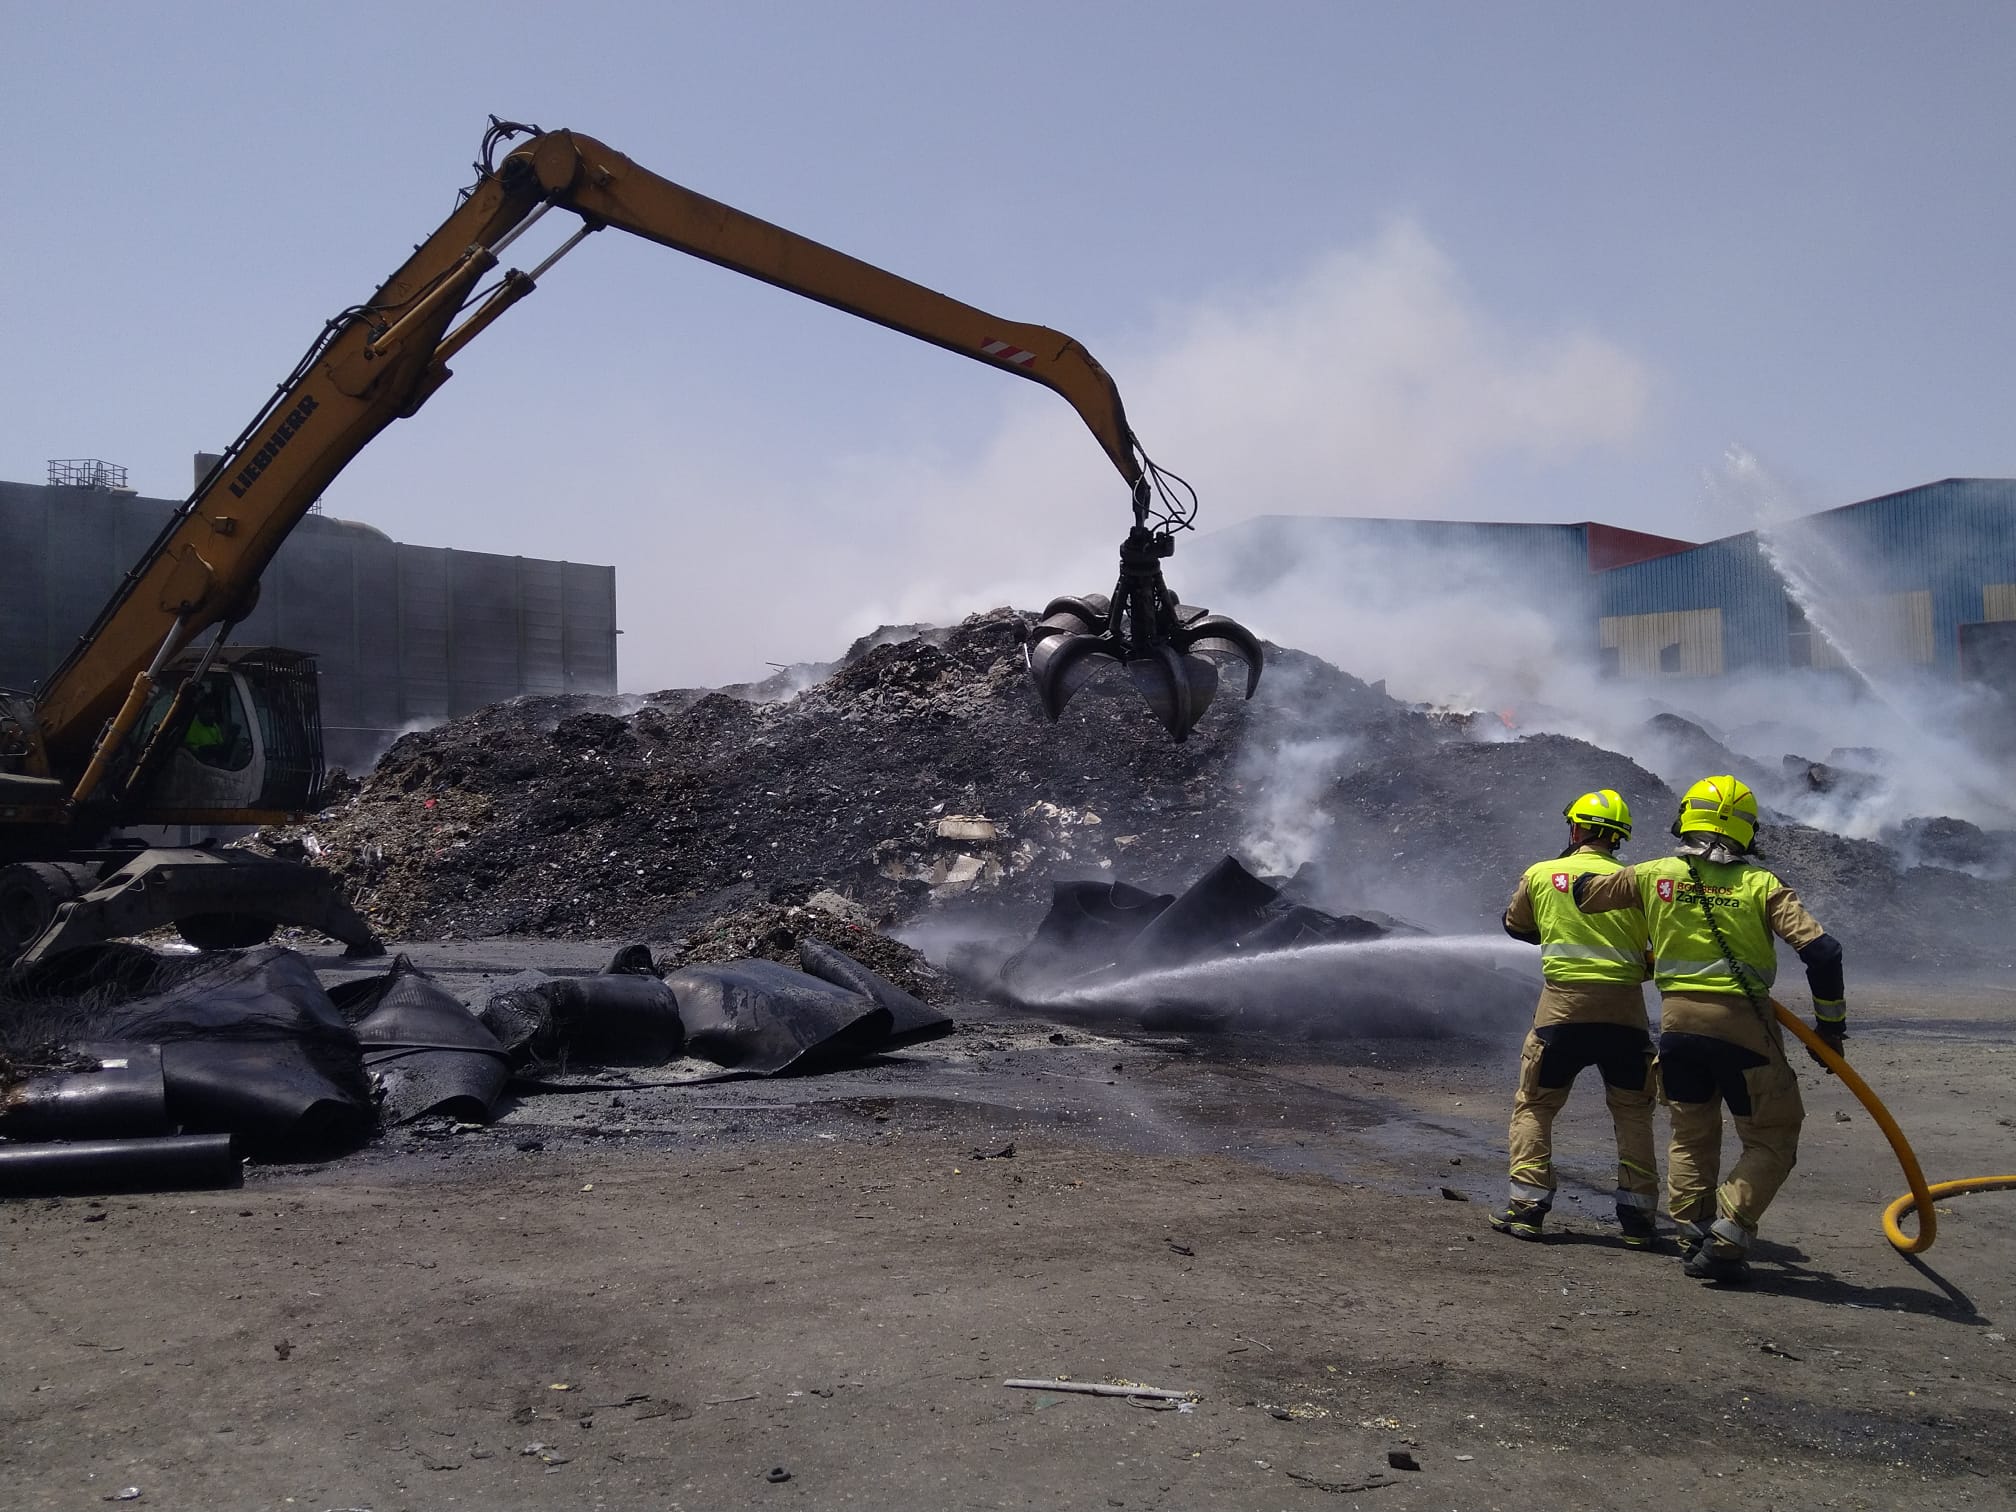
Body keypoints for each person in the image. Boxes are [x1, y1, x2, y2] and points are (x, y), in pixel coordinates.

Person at [1575, 775, 1846, 1284]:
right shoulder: (1761, 884)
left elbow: (1587, 894)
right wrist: (1830, 1029)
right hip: (1745, 1027)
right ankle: (1729, 1231)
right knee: (1773, 1136)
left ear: (1685, 820)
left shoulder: (1654, 873)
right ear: (1747, 831)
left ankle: (1694, 1235)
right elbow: (1823, 952)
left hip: (1678, 1027)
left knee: (1690, 1135)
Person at [1493, 788, 1659, 1248]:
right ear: (1619, 838)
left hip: (1561, 1013)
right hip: (1626, 1015)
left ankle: (1527, 1209)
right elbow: (1655, 951)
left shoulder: (1542, 874)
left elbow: (1517, 926)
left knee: (1536, 1105)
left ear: (1577, 829)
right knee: (1632, 1114)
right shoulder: (1638, 882)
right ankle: (1640, 1221)